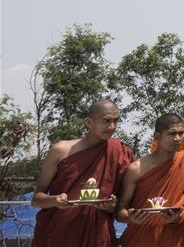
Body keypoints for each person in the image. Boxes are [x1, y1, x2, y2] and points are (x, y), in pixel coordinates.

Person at [32, 98, 135, 247]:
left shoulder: (119, 152)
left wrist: (111, 206)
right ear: (88, 122)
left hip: (97, 234)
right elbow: (36, 199)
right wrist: (55, 201)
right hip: (58, 233)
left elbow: (125, 205)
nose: (112, 126)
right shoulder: (61, 151)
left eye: (116, 121)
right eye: (106, 121)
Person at [117, 113, 184, 246]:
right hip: (140, 238)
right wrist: (130, 217)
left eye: (180, 133)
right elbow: (121, 210)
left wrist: (179, 216)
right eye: (172, 134)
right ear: (157, 137)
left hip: (171, 237)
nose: (178, 138)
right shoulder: (136, 169)